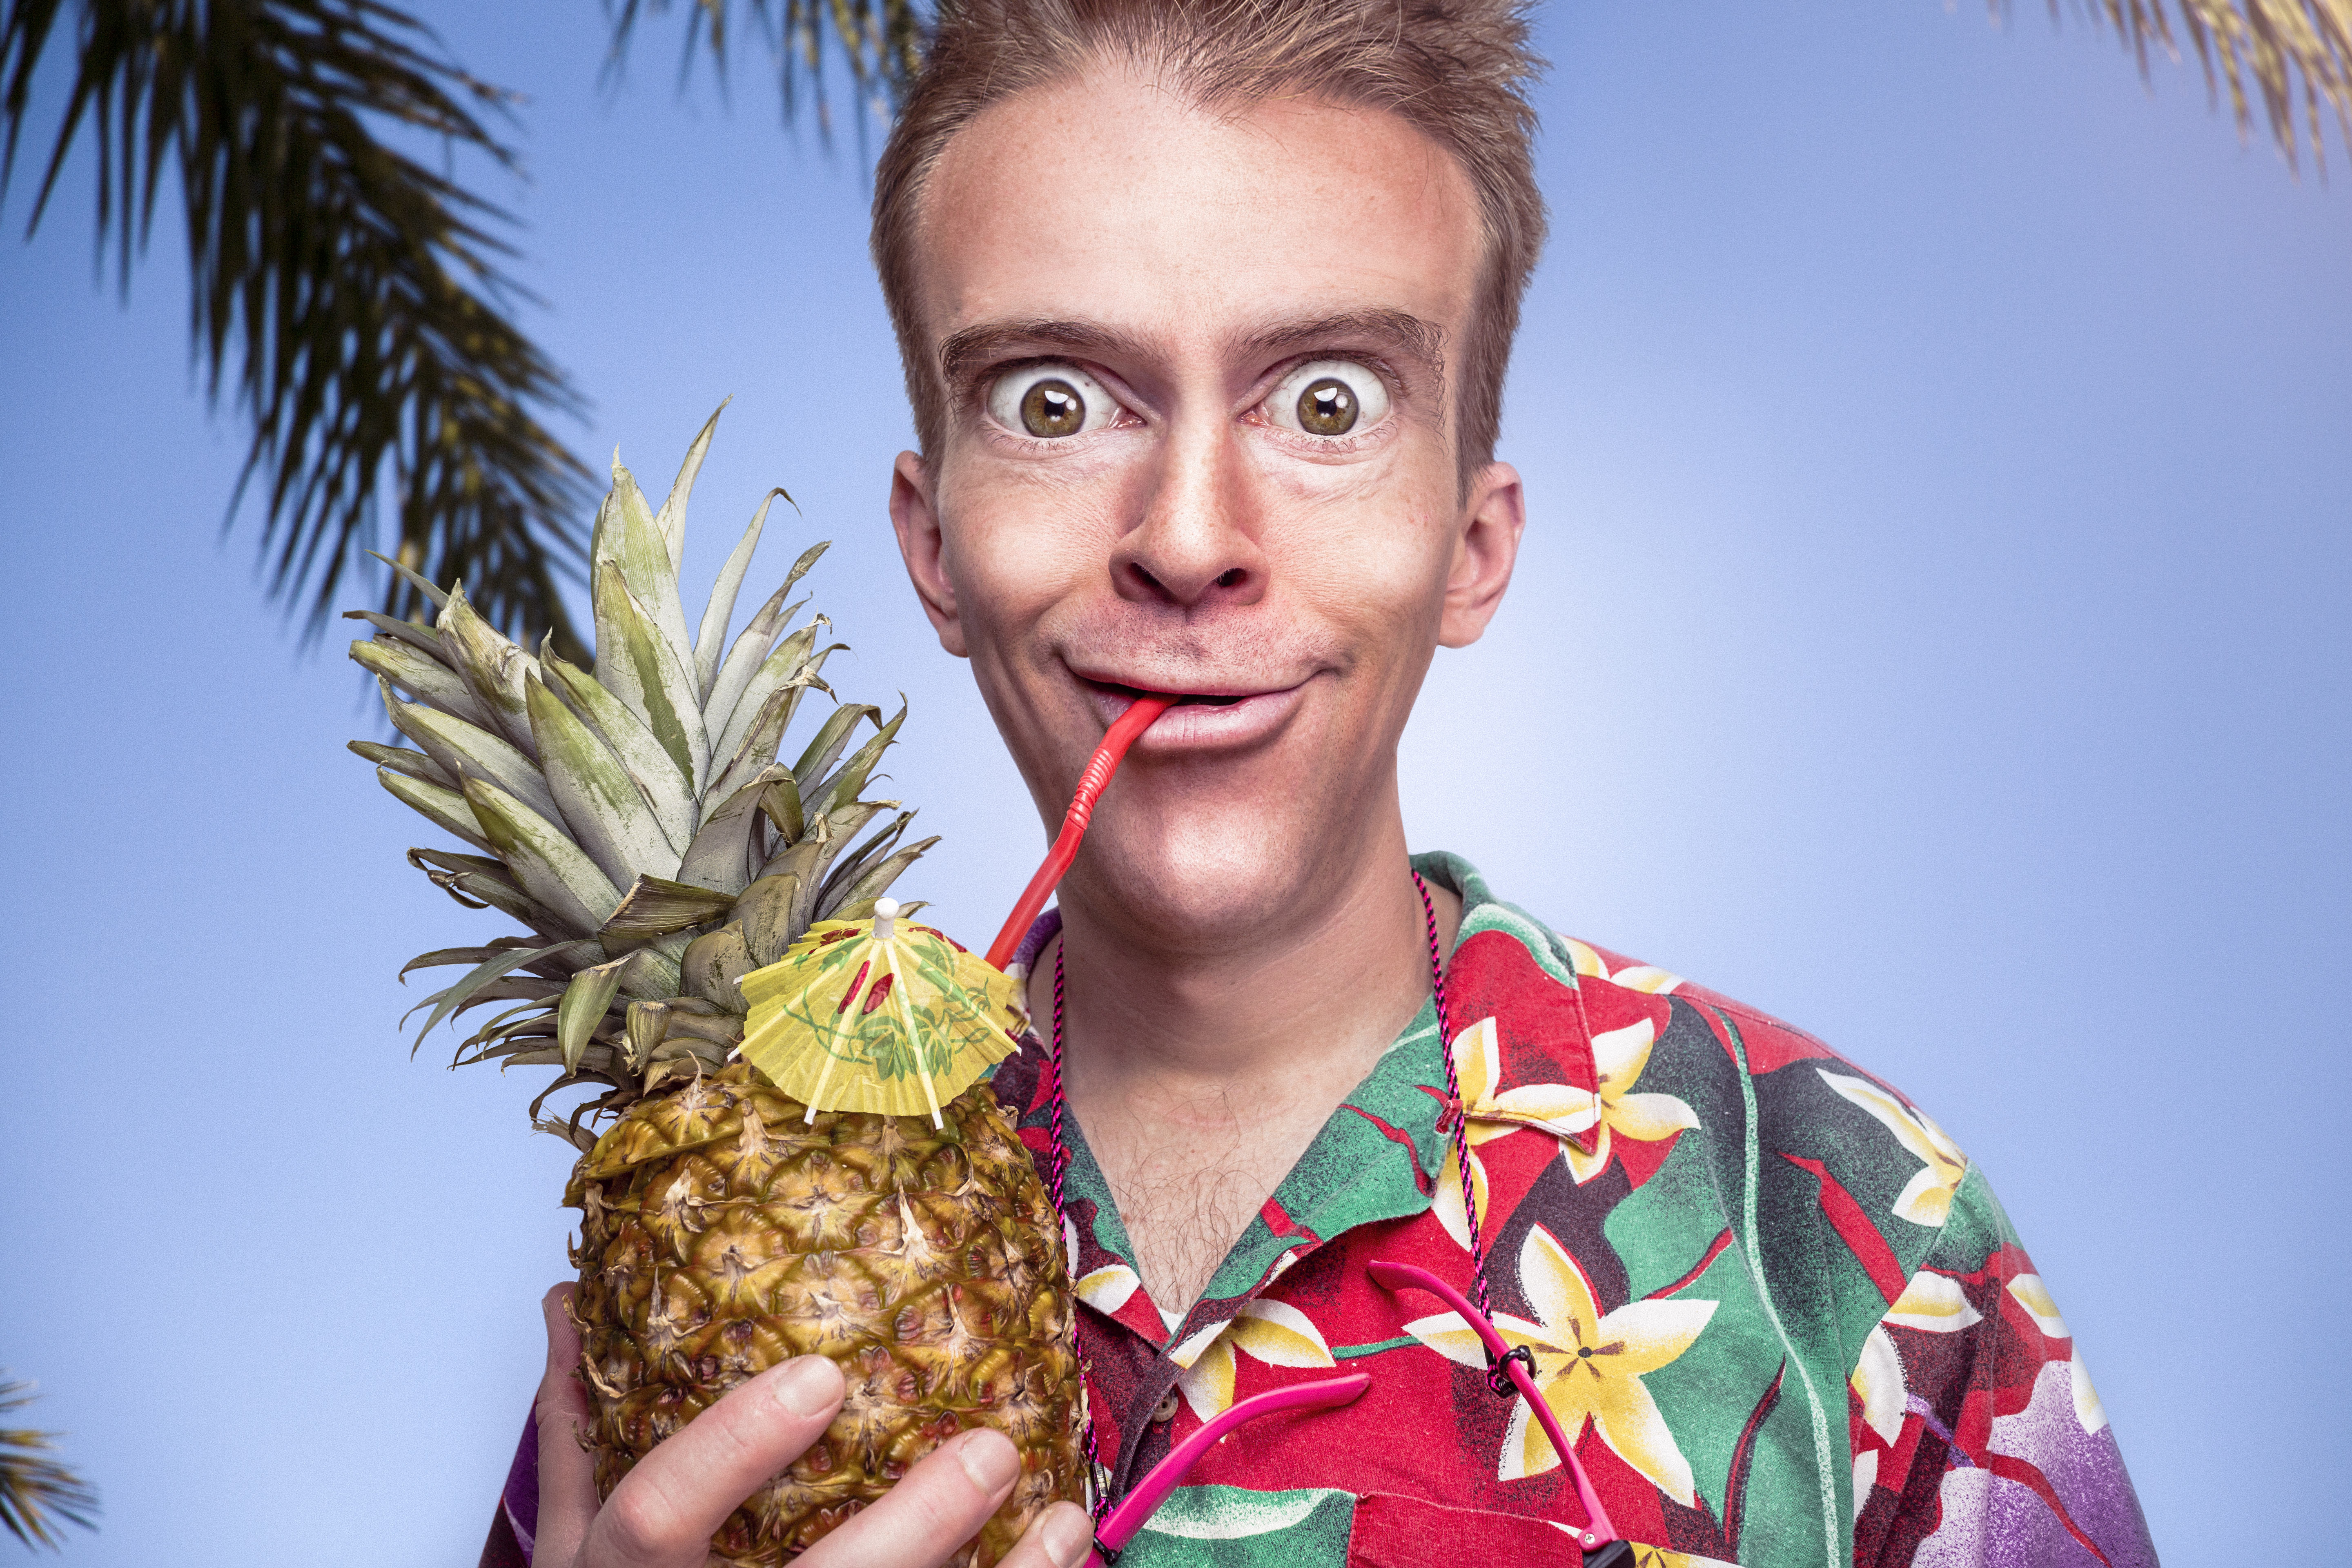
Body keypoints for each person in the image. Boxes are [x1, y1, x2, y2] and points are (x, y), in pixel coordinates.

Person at [504, 3, 2158, 1566]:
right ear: (934, 549)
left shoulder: (1847, 1230)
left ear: (1472, 545)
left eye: (1327, 402)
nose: (1191, 539)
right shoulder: (712, 1251)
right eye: (1057, 402)